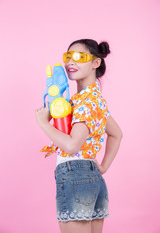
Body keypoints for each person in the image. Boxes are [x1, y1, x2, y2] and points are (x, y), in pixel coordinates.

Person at [35, 39, 123, 233]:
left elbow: (73, 145)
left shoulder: (85, 102)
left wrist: (42, 123)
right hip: (92, 177)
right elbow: (116, 134)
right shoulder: (94, 99)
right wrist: (102, 167)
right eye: (68, 57)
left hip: (75, 175)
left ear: (95, 63)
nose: (70, 63)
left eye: (78, 57)